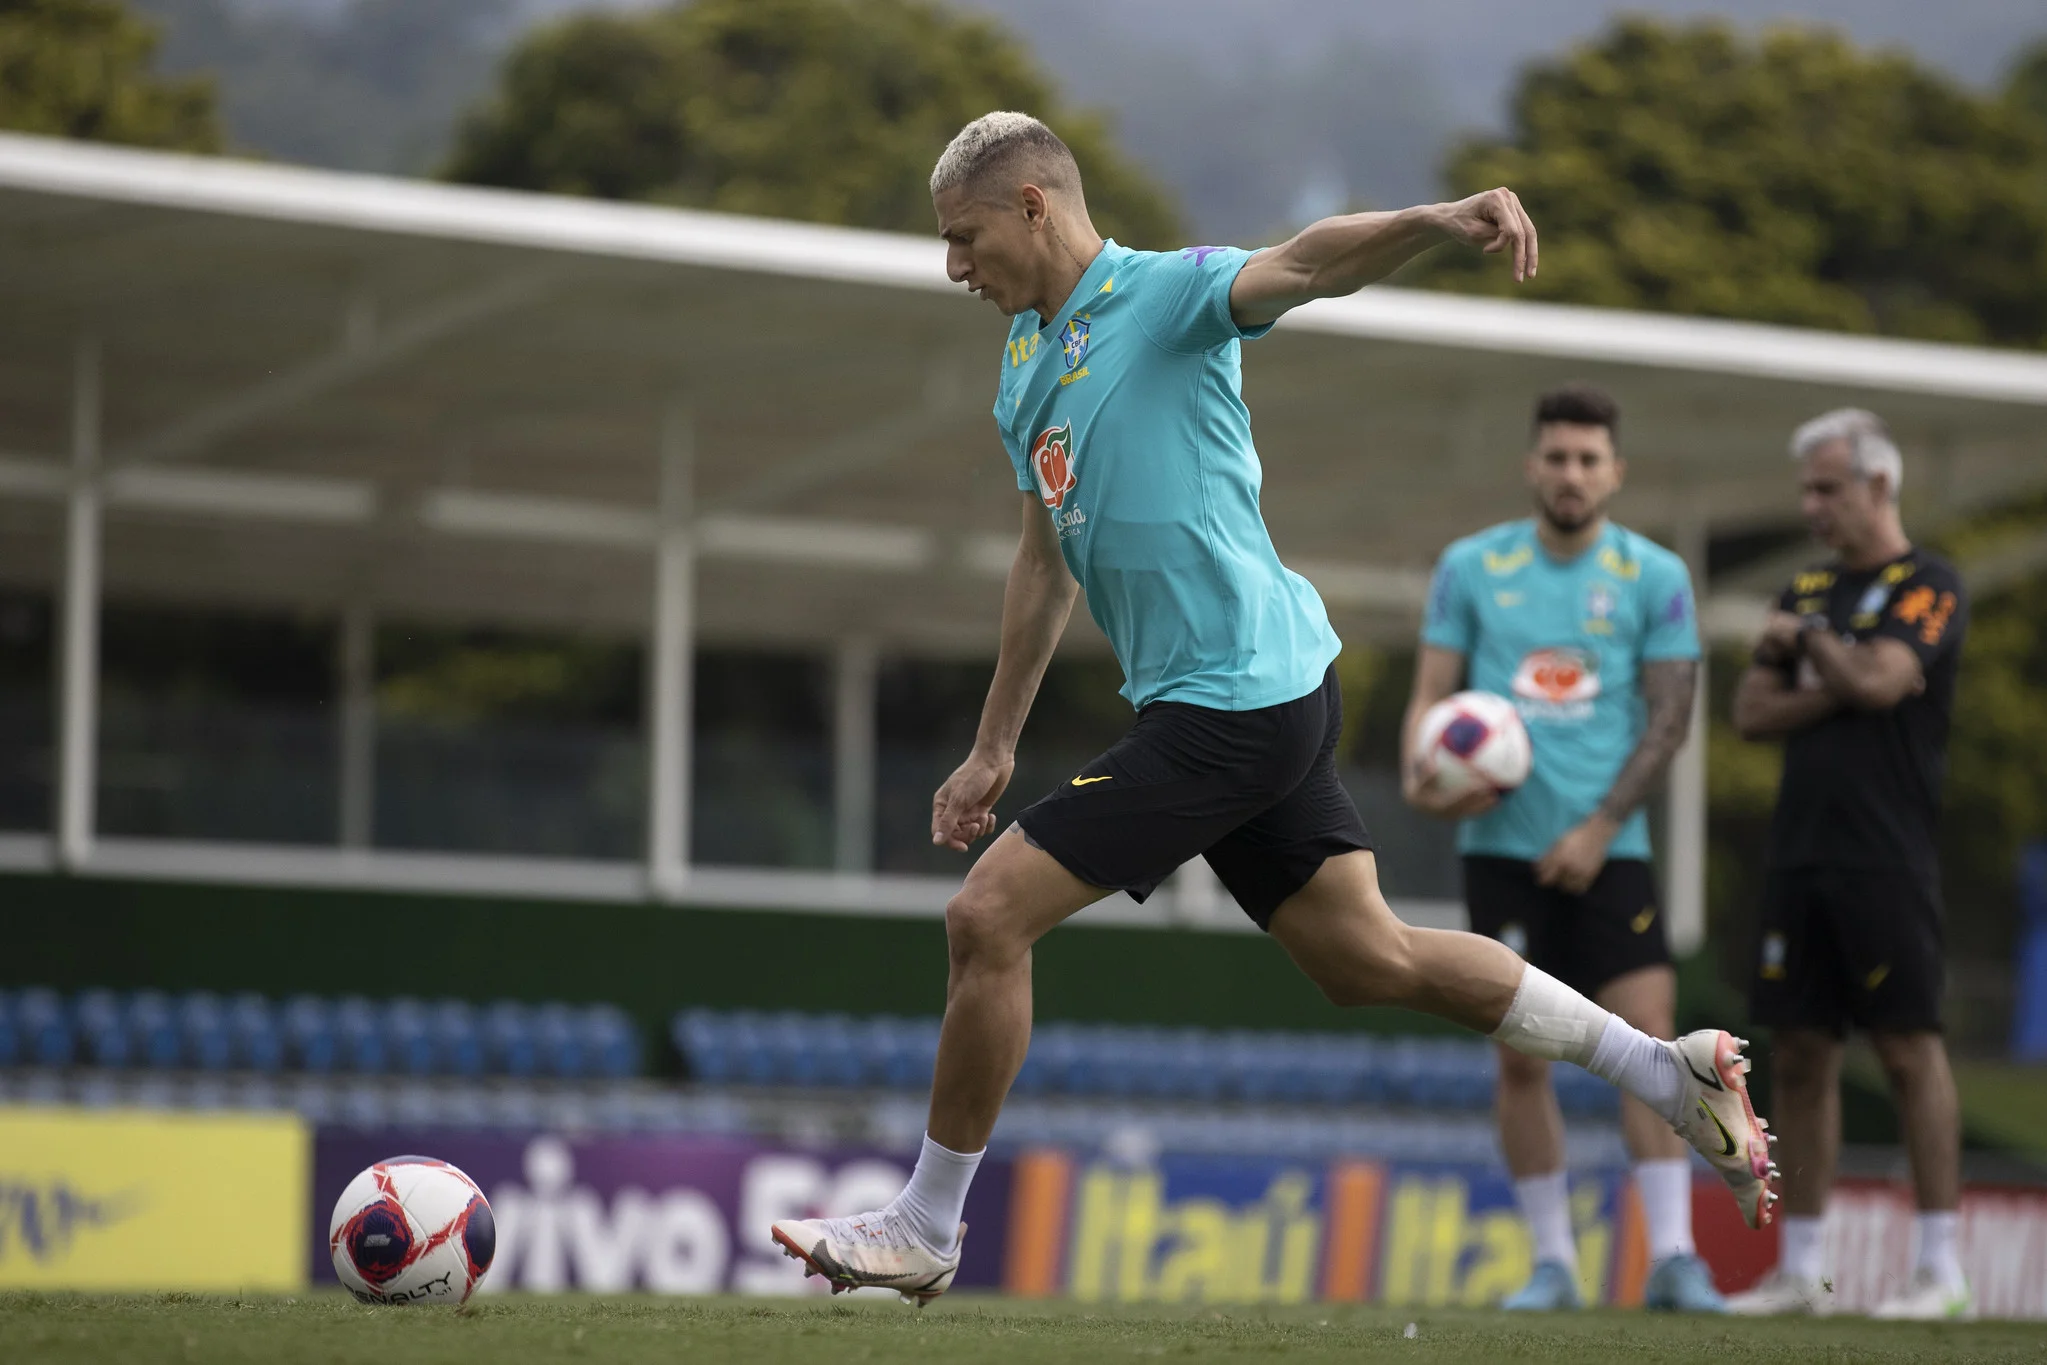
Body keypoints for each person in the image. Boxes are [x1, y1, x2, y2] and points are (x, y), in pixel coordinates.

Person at [769, 111, 1775, 1304]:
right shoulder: (1021, 366)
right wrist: (994, 745)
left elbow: (1304, 261)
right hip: (1254, 697)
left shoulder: (1168, 296)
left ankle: (928, 1222)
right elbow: (1045, 562)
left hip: (1232, 699)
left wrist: (1434, 220)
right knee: (1368, 958)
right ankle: (1667, 1072)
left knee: (987, 917)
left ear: (1033, 206)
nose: (953, 267)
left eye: (963, 237)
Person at [1400, 384, 1723, 1313]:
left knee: (1653, 1047)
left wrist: (1594, 826)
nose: (1571, 473)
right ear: (1531, 465)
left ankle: (1670, 1256)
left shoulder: (1654, 575)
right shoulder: (1471, 565)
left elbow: (1670, 721)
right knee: (1517, 1060)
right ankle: (1552, 1264)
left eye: (1589, 459)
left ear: (1614, 471)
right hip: (1497, 850)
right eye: (1556, 457)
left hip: (1610, 851)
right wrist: (1422, 772)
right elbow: (1431, 698)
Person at [1727, 409, 1972, 1320]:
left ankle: (1939, 1267)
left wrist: (1815, 651)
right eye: (1806, 490)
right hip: (1800, 853)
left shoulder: (1930, 582)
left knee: (1909, 1048)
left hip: (1886, 857)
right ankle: (1803, 1272)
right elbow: (1751, 711)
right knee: (1798, 1052)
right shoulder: (1805, 585)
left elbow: (1878, 683)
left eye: (1826, 488)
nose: (1810, 505)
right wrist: (1846, 671)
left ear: (1878, 485)